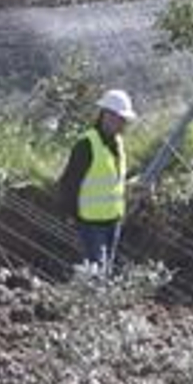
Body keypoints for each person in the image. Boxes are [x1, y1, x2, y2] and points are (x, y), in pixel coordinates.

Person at [56, 89, 138, 276]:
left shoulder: (118, 142)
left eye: (125, 120)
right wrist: (72, 216)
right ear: (107, 115)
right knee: (96, 273)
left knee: (105, 272)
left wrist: (131, 185)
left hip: (113, 220)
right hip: (90, 223)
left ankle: (97, 304)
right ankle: (89, 303)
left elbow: (113, 180)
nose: (124, 124)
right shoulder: (86, 144)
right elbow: (69, 183)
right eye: (120, 119)